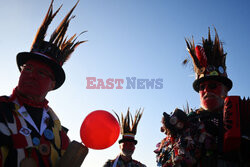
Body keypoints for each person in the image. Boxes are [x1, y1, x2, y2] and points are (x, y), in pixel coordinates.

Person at [0, 0, 88, 166]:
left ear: (52, 84)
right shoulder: (2, 110)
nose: (31, 75)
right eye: (28, 68)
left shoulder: (59, 132)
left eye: (41, 73)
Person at [180, 28, 250, 166]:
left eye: (213, 85)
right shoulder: (188, 123)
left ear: (225, 90)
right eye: (202, 88)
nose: (206, 90)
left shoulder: (244, 117)